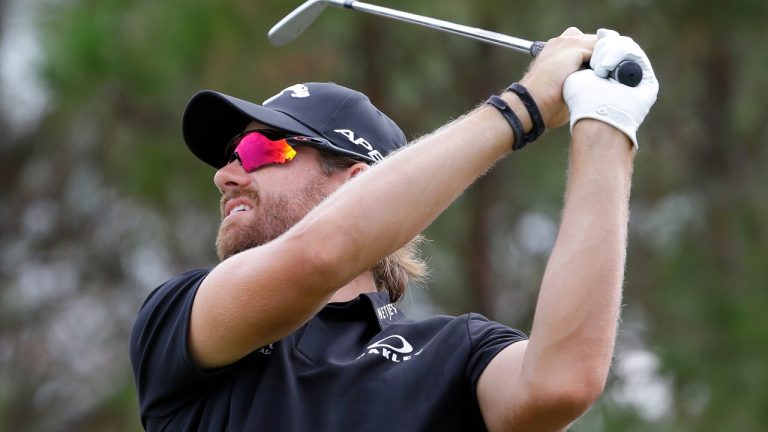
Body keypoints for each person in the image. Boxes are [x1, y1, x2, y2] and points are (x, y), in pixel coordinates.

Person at [130, 27, 658, 431]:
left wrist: (607, 123)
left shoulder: (457, 351)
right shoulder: (180, 317)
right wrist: (522, 106)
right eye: (229, 156)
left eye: (261, 149)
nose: (225, 175)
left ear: (354, 182)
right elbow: (314, 258)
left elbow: (560, 383)